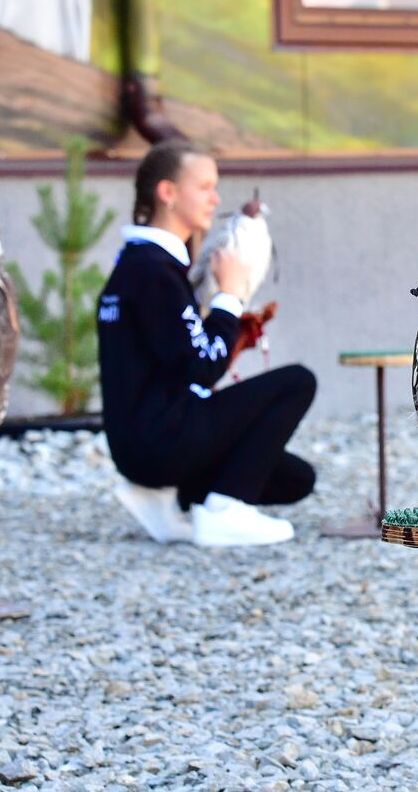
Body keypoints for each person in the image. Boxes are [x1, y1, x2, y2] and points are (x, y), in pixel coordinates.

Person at [97, 140, 317, 547]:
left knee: (295, 479)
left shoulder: (135, 264)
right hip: (161, 441)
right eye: (205, 187)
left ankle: (163, 498)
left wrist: (229, 327)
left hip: (139, 445)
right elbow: (203, 365)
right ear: (167, 192)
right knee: (297, 382)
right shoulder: (154, 271)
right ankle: (224, 510)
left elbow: (177, 357)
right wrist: (229, 295)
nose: (216, 198)